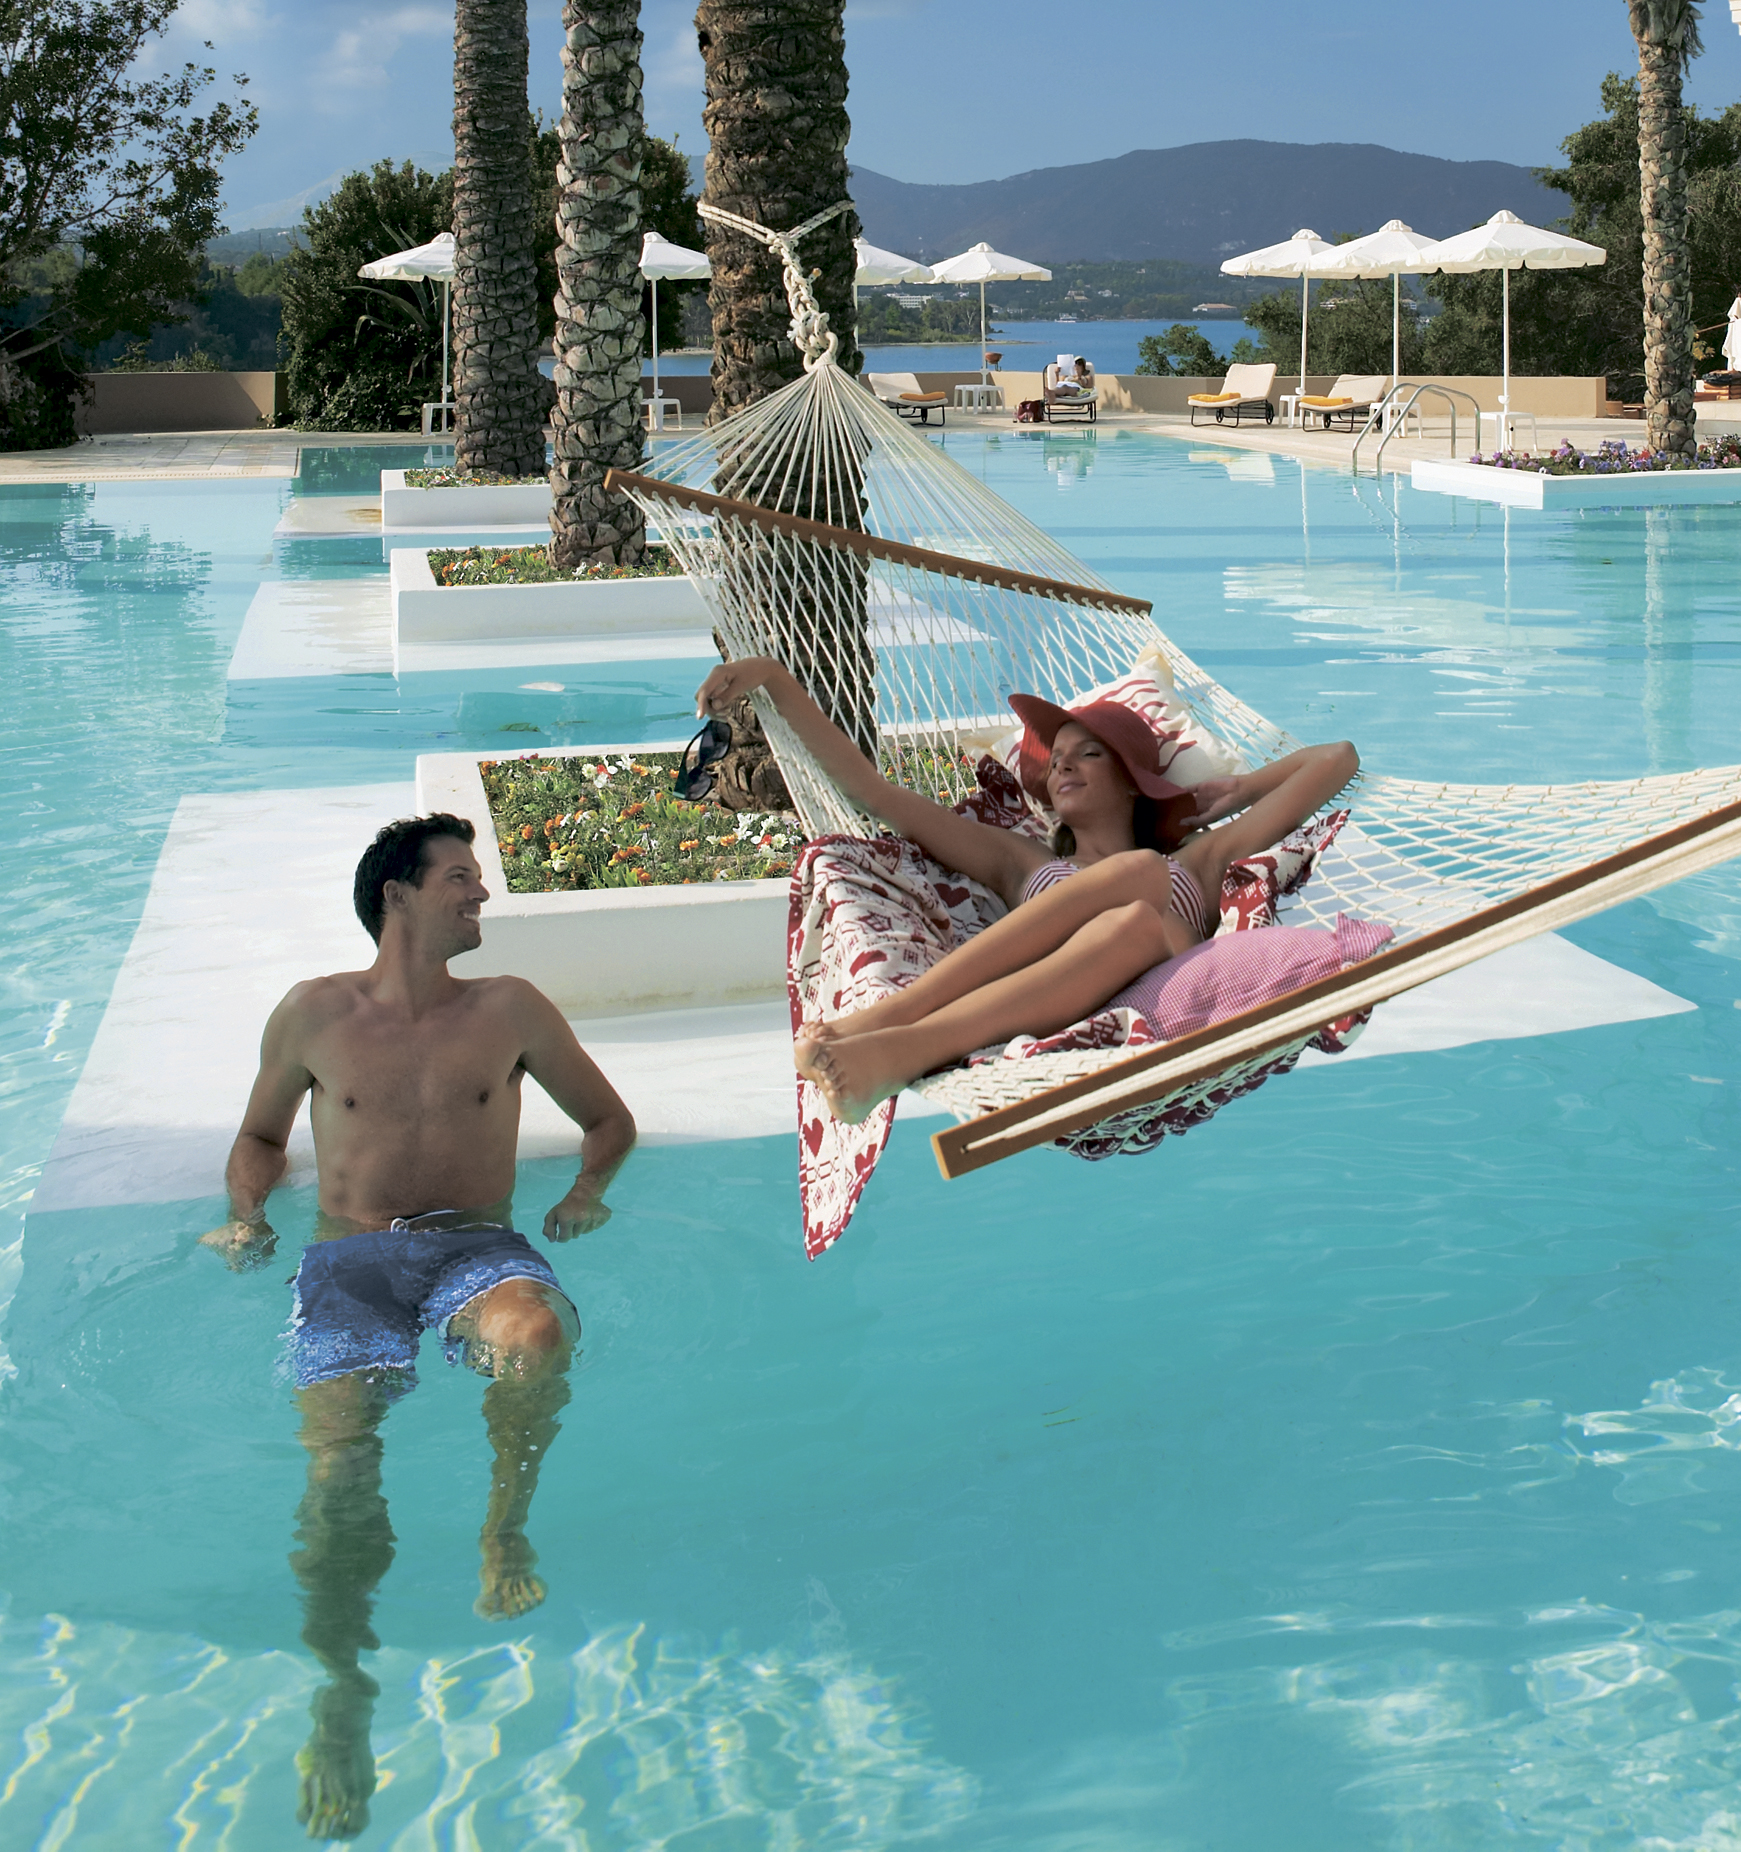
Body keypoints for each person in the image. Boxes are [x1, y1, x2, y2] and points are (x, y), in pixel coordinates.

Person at [199, 811, 637, 1842]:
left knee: (537, 1339)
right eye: (459, 879)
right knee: (338, 1471)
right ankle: (341, 1687)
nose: (481, 894)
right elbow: (259, 1134)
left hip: (477, 1249)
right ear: (397, 894)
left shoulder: (510, 1007)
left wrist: (586, 1193)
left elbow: (608, 1119)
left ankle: (502, 1526)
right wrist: (246, 1214)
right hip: (351, 1263)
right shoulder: (313, 1013)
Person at [698, 655, 1358, 1124]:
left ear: (1133, 781)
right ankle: (891, 1036)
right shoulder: (1020, 861)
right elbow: (873, 793)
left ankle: (899, 1035)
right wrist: (774, 678)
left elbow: (1337, 759)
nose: (1063, 764)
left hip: (1156, 988)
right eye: (1056, 758)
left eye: (1089, 753)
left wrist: (1239, 790)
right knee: (1131, 905)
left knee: (1141, 890)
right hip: (1049, 998)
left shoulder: (1197, 861)